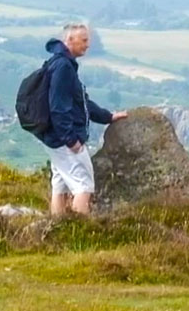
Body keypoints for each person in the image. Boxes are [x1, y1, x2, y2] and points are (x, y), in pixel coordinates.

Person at [41, 23, 128, 215]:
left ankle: (57, 227)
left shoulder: (60, 63)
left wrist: (108, 117)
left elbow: (81, 102)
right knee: (84, 185)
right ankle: (79, 232)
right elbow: (58, 107)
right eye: (85, 40)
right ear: (70, 40)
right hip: (64, 139)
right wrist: (71, 139)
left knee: (60, 184)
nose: (88, 45)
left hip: (53, 137)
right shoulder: (63, 67)